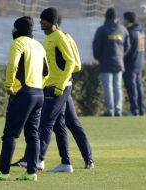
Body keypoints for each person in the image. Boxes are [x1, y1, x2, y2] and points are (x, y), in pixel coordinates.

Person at [11, 7, 94, 173]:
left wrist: (60, 84)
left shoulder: (59, 37)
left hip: (59, 88)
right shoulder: (49, 37)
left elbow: (72, 63)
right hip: (52, 86)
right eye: (41, 19)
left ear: (53, 22)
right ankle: (70, 162)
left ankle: (37, 160)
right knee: (65, 124)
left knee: (45, 122)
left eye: (45, 20)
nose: (41, 22)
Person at [0, 16, 49, 181]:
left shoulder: (18, 43)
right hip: (38, 94)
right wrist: (39, 86)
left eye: (14, 27)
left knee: (10, 134)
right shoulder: (39, 45)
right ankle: (31, 173)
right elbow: (47, 72)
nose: (12, 30)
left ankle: (3, 173)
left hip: (23, 94)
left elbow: (13, 65)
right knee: (33, 135)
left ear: (19, 29)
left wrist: (9, 86)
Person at [93, 8, 130, 116]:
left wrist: (98, 57)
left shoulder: (101, 30)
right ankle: (118, 110)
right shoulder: (123, 29)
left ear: (106, 16)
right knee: (118, 86)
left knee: (108, 87)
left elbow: (96, 46)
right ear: (115, 17)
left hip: (105, 63)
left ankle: (110, 111)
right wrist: (121, 56)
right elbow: (128, 46)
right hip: (118, 63)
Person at [123, 11, 146, 116]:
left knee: (132, 88)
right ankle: (142, 109)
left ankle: (134, 110)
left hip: (130, 63)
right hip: (139, 62)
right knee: (138, 86)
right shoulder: (140, 31)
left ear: (127, 20)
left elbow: (126, 49)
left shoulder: (130, 32)